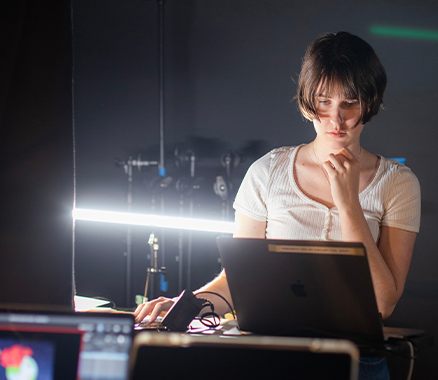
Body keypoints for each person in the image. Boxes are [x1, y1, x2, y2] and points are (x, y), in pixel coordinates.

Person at [134, 31, 421, 379]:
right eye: (324, 102)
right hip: (275, 357)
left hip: (358, 362)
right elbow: (237, 282)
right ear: (306, 102)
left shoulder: (397, 182)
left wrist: (349, 205)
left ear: (370, 102)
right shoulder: (268, 172)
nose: (336, 119)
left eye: (350, 103)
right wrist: (186, 307)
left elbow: (383, 303)